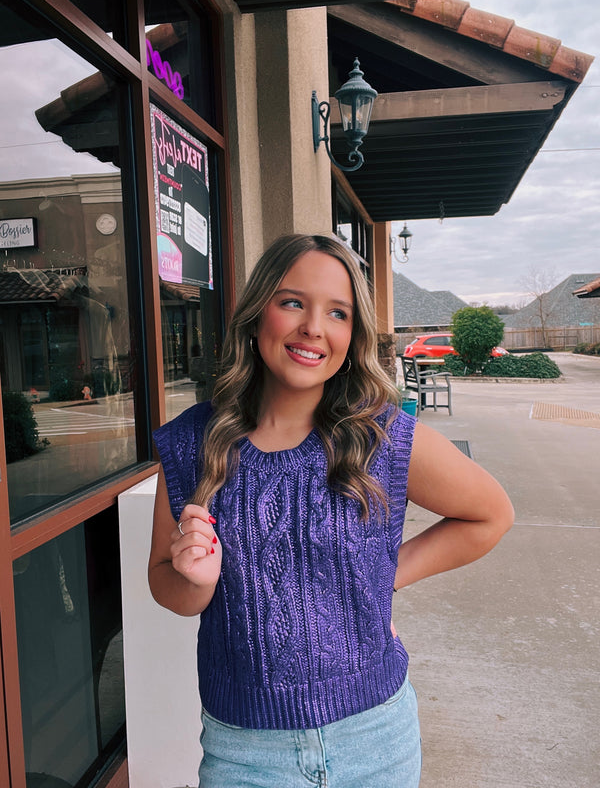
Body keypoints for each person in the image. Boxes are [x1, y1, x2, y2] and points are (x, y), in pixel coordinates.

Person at [149, 233, 514, 788]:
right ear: (256, 313)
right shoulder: (194, 443)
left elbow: (490, 515)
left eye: (337, 312)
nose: (313, 327)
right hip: (246, 752)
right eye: (292, 302)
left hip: (375, 741)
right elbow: (165, 585)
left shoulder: (382, 437)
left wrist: (383, 579)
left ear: (353, 335)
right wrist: (196, 580)